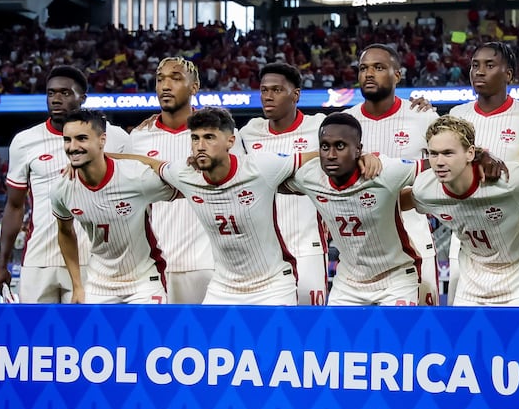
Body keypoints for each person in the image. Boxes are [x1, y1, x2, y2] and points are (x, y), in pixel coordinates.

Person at [125, 107, 381, 305]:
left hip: (272, 286)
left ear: (230, 141)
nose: (200, 145)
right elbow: (148, 163)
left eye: (209, 137)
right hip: (223, 287)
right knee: (210, 354)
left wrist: (362, 155)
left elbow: (314, 156)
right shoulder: (185, 174)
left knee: (278, 355)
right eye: (195, 138)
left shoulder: (261, 167)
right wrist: (94, 156)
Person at [0, 65, 129, 303]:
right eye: (51, 93)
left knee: (85, 337)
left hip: (91, 259)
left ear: (82, 98)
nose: (56, 99)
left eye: (65, 93)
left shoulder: (114, 137)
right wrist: (2, 264)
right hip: (39, 260)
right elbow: (14, 206)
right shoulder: (25, 142)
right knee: (34, 336)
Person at [405, 115, 519, 306]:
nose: (439, 162)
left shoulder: (509, 180)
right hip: (471, 284)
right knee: (467, 337)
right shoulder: (426, 188)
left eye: (448, 153)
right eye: (433, 153)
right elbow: (391, 203)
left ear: (470, 153)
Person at [127, 57, 241, 303]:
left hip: (207, 263)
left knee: (206, 339)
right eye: (160, 80)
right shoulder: (138, 137)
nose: (165, 86)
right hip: (153, 265)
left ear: (194, 87)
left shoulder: (220, 135)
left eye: (176, 78)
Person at [284, 112, 427, 306]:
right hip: (348, 283)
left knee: (393, 336)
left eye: (340, 146)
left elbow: (434, 167)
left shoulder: (383, 171)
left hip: (395, 279)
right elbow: (268, 182)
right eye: (325, 147)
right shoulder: (309, 176)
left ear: (359, 149)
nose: (331, 155)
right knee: (335, 337)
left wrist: (473, 158)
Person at [446, 41, 519, 304]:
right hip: (467, 235)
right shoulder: (457, 116)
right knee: (464, 328)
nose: (479, 71)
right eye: (475, 65)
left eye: (489, 65)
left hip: (515, 234)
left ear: (509, 74)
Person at [344, 43, 441, 306]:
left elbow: (447, 165)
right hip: (358, 252)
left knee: (421, 333)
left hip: (415, 240)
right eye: (364, 68)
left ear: (397, 75)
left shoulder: (423, 117)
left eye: (379, 67)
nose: (369, 74)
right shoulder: (344, 123)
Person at [52, 110, 175, 304]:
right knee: (94, 335)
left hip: (144, 282)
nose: (72, 147)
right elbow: (64, 232)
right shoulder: (62, 188)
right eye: (67, 140)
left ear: (102, 141)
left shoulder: (135, 177)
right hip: (98, 284)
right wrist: (77, 285)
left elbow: (182, 186)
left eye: (81, 139)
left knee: (149, 334)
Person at [240, 63, 328, 306]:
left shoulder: (319, 127)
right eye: (264, 90)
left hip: (307, 246)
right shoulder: (249, 133)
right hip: (263, 253)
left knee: (310, 325)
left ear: (296, 95)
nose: (268, 96)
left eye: (277, 90)